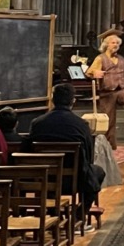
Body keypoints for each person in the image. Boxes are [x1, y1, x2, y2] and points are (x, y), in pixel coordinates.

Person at [29, 83, 103, 215]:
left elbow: (29, 150)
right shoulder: (80, 124)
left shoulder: (37, 123)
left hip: (44, 178)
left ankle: (52, 213)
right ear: (73, 101)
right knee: (98, 172)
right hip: (74, 180)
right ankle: (79, 215)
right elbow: (89, 156)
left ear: (52, 100)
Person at [86, 31, 124, 146]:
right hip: (107, 92)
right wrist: (95, 73)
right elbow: (89, 72)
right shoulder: (100, 58)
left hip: (121, 90)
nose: (115, 45)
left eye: (117, 43)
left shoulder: (121, 59)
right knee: (108, 120)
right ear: (107, 44)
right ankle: (109, 144)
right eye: (113, 43)